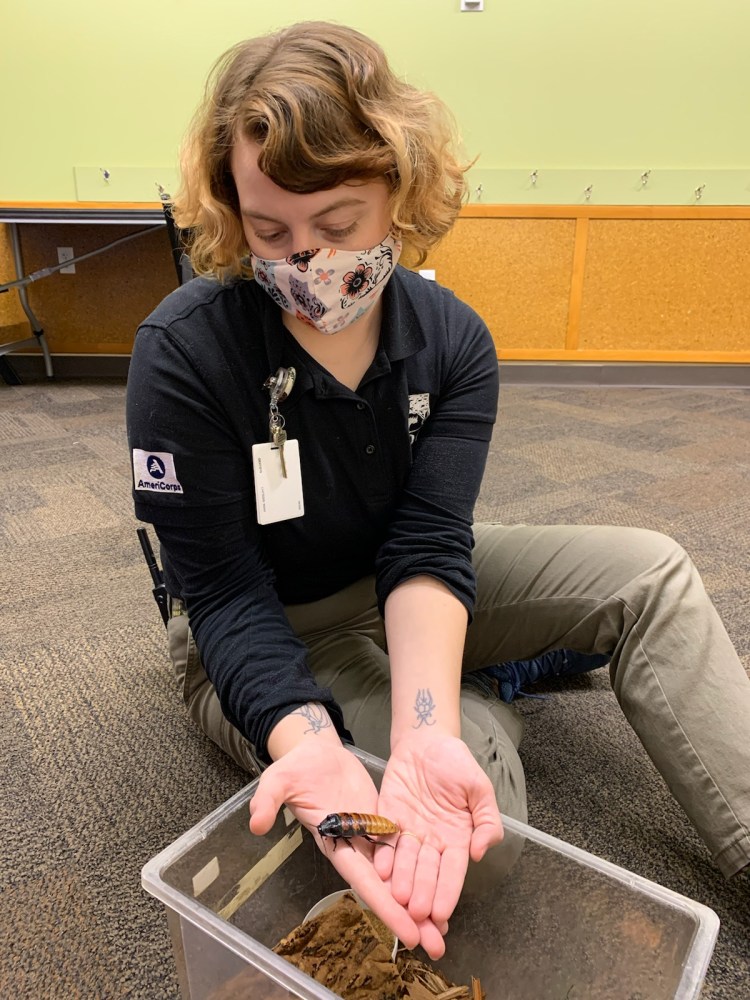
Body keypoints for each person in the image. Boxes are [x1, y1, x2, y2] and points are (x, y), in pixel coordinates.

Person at [126, 21, 750, 960]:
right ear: (231, 209)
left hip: (396, 578)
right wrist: (310, 743)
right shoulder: (184, 352)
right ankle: (481, 690)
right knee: (477, 834)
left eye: (338, 225)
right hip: (262, 626)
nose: (306, 261)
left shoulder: (453, 339)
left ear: (398, 187)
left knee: (650, 573)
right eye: (270, 231)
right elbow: (222, 593)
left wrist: (424, 726)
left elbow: (427, 542)